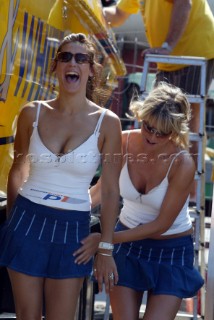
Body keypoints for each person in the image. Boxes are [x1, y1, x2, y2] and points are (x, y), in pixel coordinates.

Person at [0, 33, 122, 320]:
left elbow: (110, 191)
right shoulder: (32, 113)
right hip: (26, 221)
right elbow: (18, 171)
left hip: (73, 229)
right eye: (66, 56)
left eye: (82, 58)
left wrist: (105, 246)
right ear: (55, 66)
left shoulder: (108, 123)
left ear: (91, 70)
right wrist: (12, 226)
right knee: (26, 315)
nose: (73, 63)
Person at [73, 82, 204, 320]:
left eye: (162, 132)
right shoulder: (122, 141)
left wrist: (106, 240)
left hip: (170, 250)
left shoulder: (183, 163)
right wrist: (64, 209)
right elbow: (100, 191)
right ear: (140, 116)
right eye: (148, 126)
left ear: (175, 131)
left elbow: (160, 225)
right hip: (127, 245)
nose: (152, 136)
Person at [103, 0, 214, 201]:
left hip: (193, 52)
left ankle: (187, 195)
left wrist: (167, 46)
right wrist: (92, 10)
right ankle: (160, 189)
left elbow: (184, 3)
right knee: (156, 121)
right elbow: (118, 14)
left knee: (184, 126)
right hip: (168, 58)